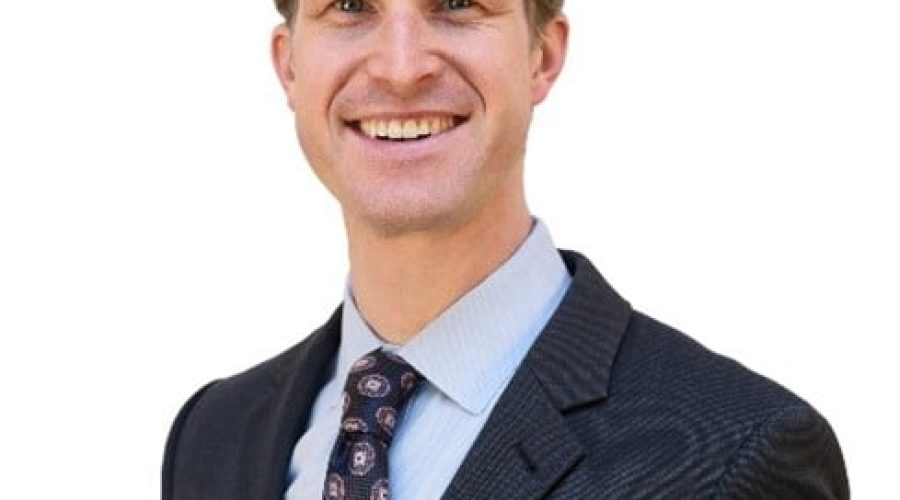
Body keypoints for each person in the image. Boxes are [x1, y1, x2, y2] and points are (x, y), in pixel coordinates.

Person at [162, 0, 849, 498]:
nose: (401, 68)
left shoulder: (736, 454)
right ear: (289, 66)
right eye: (349, 5)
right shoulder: (214, 436)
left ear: (542, 54)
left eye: (458, 3)